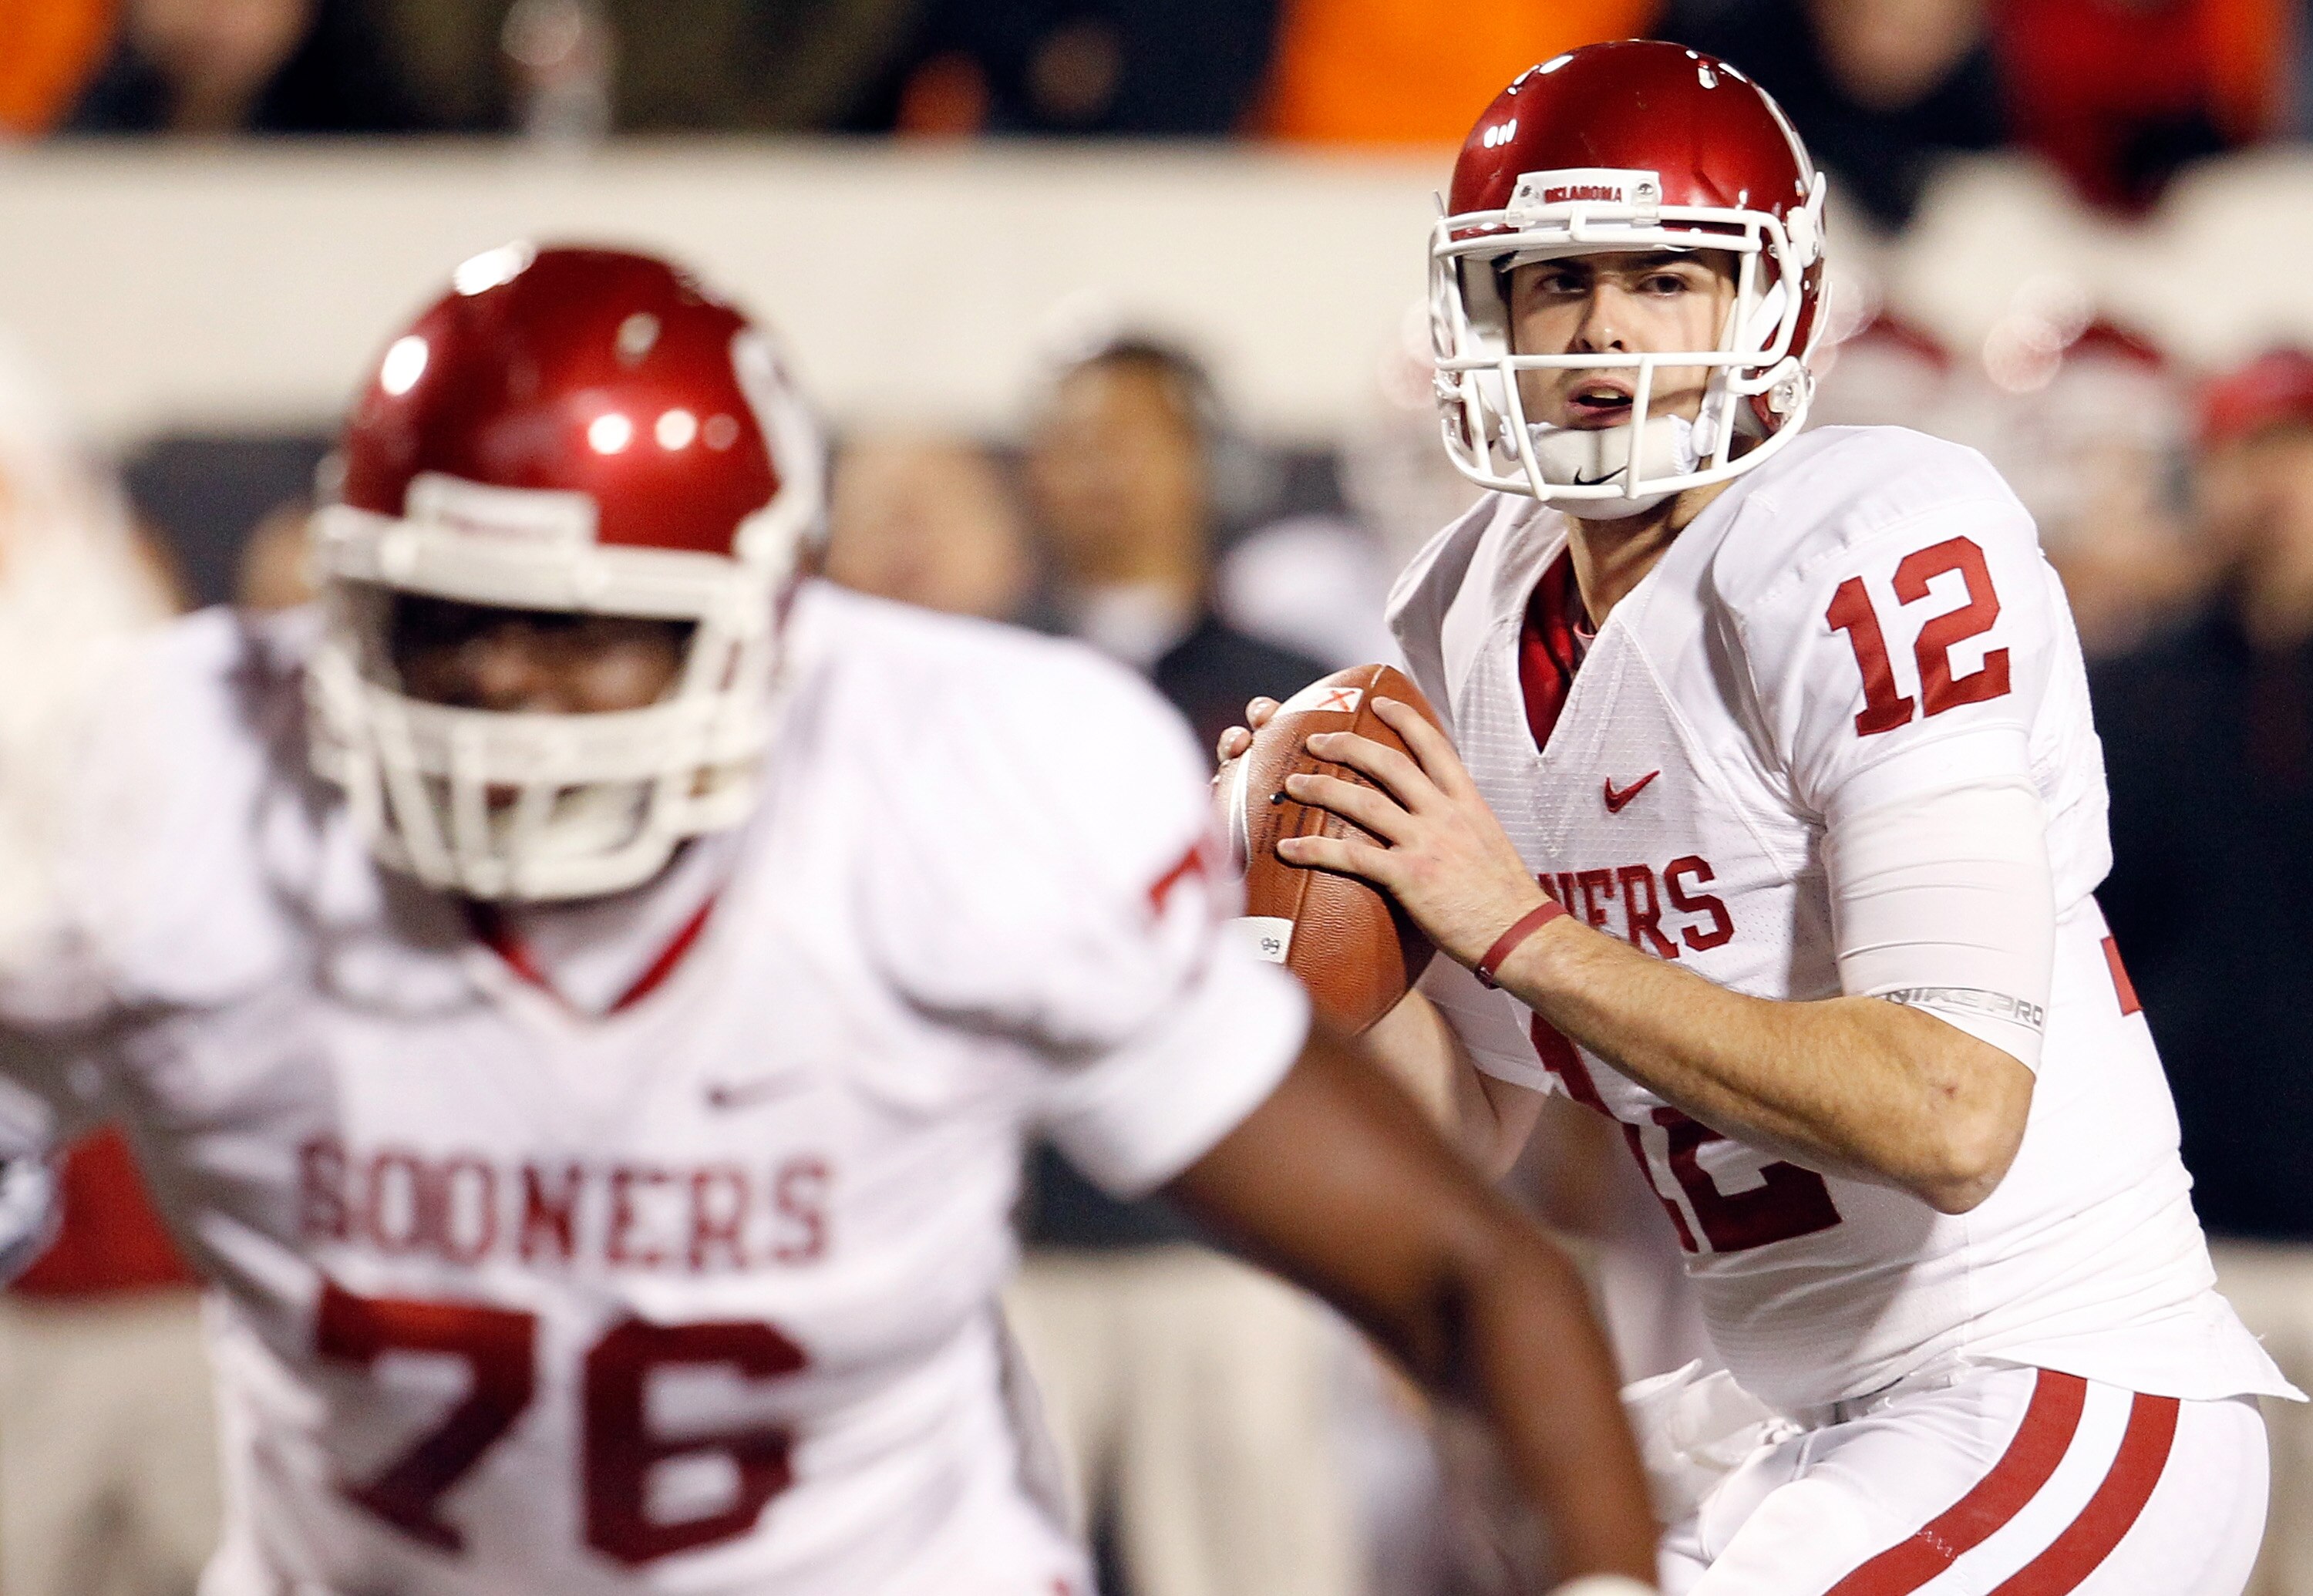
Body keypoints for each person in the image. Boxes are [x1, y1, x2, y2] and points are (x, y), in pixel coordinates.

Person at [0, 244, 1656, 1596]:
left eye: (584, 631)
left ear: (770, 623)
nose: (502, 681)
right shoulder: (167, 777)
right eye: (446, 618)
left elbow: (1463, 1274)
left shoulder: (953, 778)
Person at [1223, 42, 2294, 1591]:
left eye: (1664, 278)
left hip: (2044, 1380)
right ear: (1487, 314)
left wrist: (1515, 926)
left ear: (1766, 307)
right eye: (1557, 277)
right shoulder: (1462, 610)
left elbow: (1950, 1111)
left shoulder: (1871, 538)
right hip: (1789, 1413)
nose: (1604, 329)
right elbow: (1461, 1137)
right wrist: (1282, 925)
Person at [1011, 337, 1356, 1596]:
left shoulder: (1286, 703)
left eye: (1128, 434)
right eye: (1071, 436)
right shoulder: (984, 690)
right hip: (1018, 1224)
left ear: (1204, 463)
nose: (1094, 468)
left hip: (1231, 1230)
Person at [2094, 348, 2313, 1594]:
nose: (2278, 488)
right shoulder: (2134, 692)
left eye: (2297, 451)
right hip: (2192, 1241)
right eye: (2250, 452)